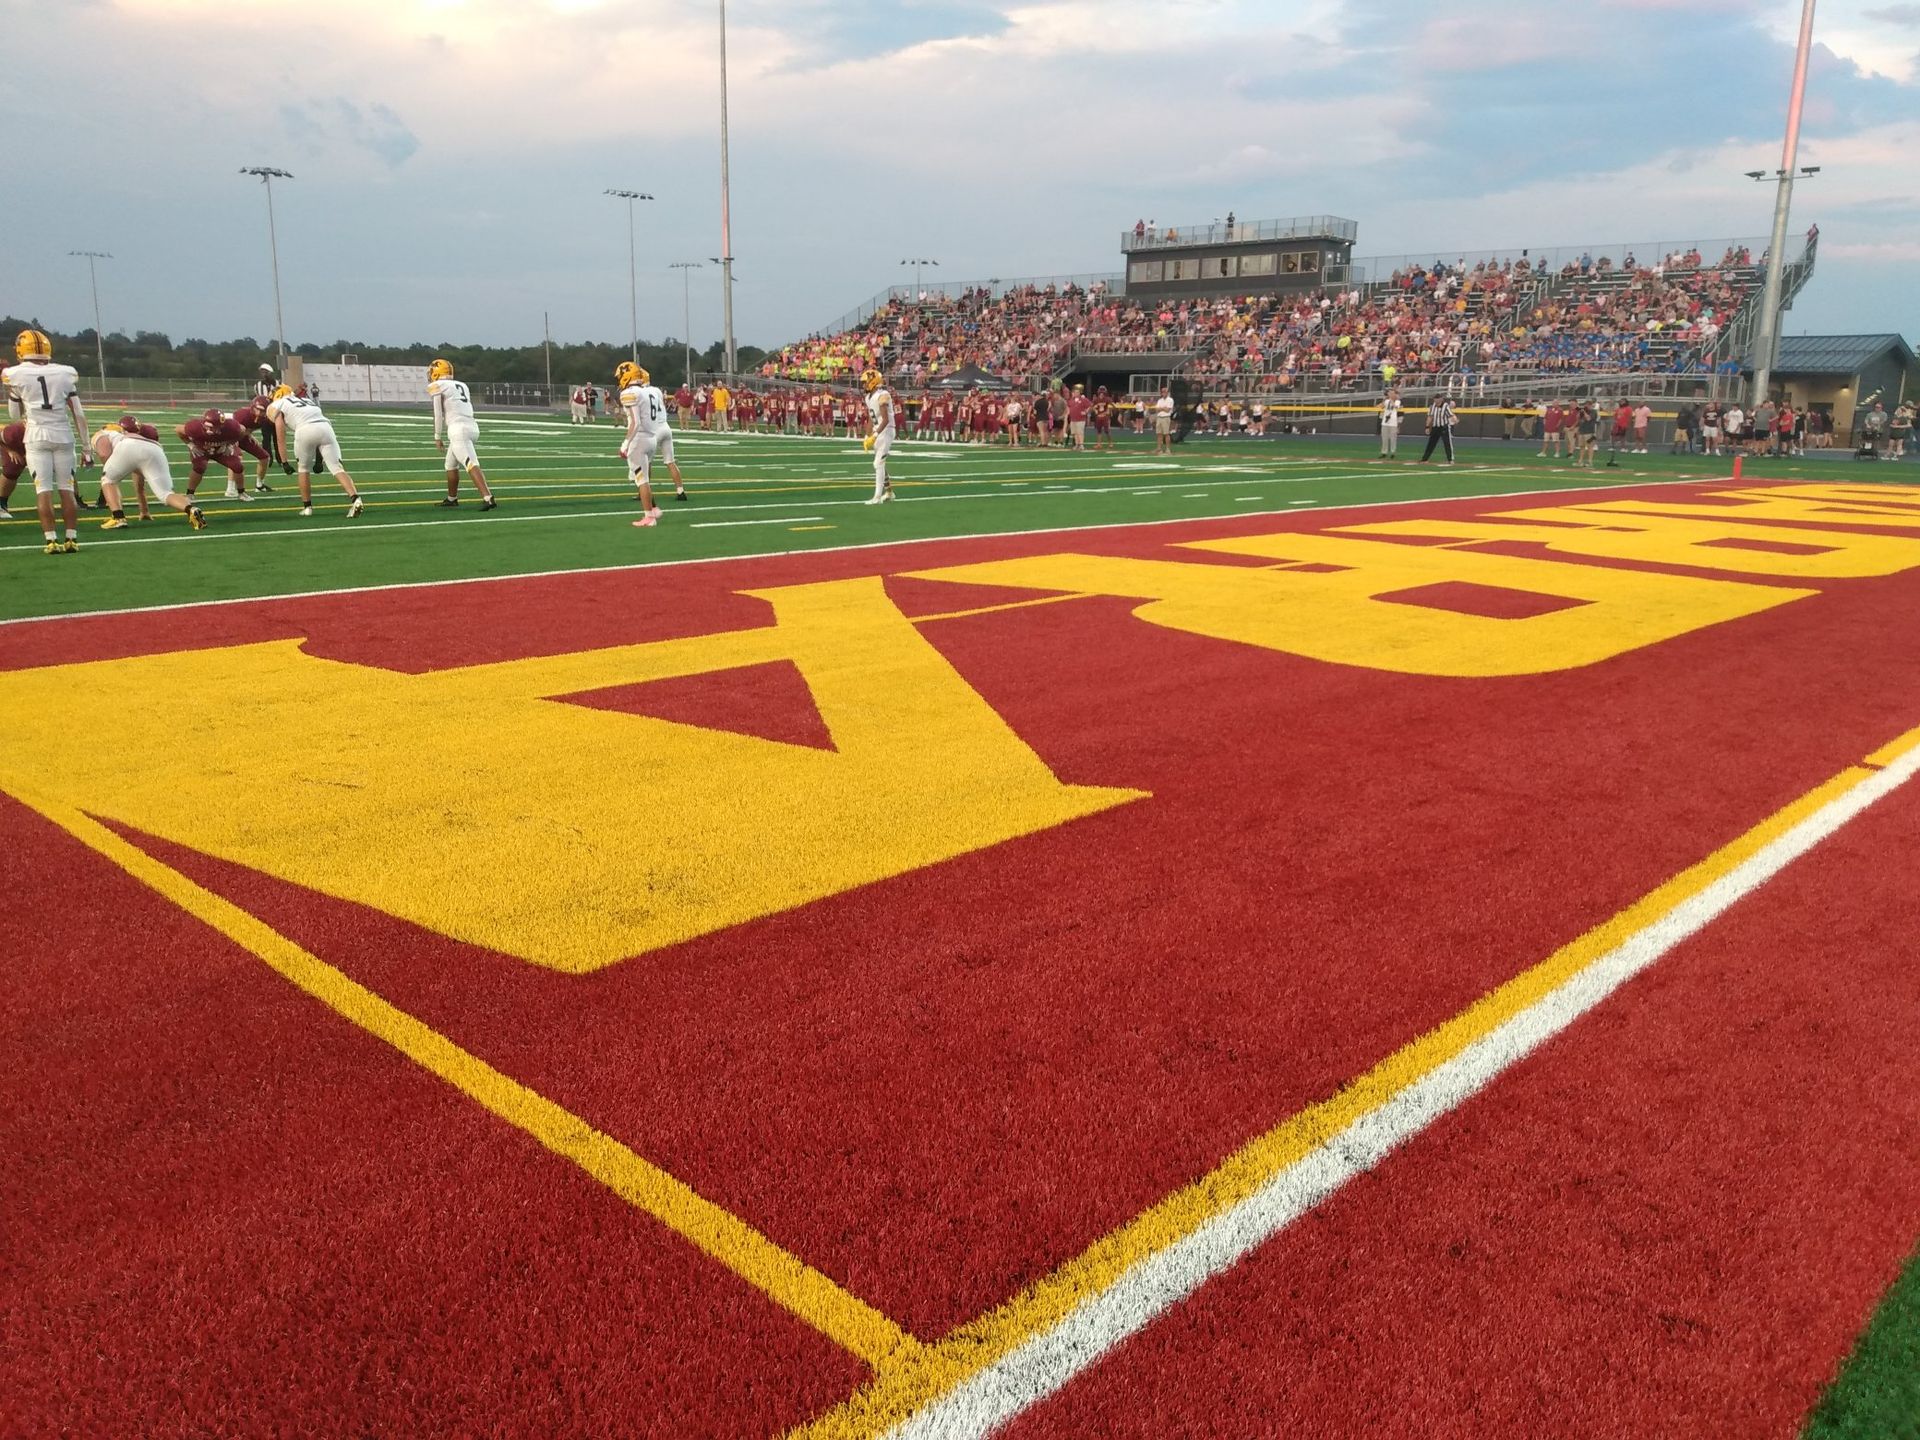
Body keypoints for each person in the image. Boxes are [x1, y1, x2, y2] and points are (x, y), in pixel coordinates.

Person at [3, 329, 89, 554]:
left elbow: (14, 415)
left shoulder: (15, 373)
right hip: (63, 434)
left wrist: (15, 394)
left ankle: (51, 540)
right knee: (66, 491)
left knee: (43, 491)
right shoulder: (65, 373)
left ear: (21, 349)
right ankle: (72, 539)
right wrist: (87, 448)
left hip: (36, 435)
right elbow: (79, 414)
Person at [265, 383, 365, 518]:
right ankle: (355, 499)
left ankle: (307, 508)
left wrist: (284, 462)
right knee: (337, 468)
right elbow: (317, 427)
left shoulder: (276, 405)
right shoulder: (307, 400)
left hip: (304, 430)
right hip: (326, 428)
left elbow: (280, 435)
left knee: (303, 469)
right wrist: (319, 461)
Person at [89, 423, 206, 532]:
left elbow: (104, 454)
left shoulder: (102, 434)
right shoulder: (130, 436)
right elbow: (139, 482)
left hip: (128, 447)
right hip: (155, 449)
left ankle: (118, 518)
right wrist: (144, 510)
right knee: (165, 493)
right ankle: (191, 509)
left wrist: (109, 473)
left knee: (108, 480)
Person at [616, 360, 687, 525]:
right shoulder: (653, 391)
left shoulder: (630, 393)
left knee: (641, 480)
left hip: (639, 439)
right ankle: (654, 508)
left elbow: (635, 423)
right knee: (645, 476)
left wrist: (625, 444)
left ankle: (649, 517)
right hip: (652, 437)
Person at [428, 359, 497, 510]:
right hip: (472, 426)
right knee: (450, 464)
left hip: (458, 429)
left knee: (470, 462)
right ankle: (452, 498)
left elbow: (438, 414)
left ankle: (488, 497)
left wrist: (437, 436)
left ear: (436, 372)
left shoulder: (437, 385)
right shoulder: (462, 385)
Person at [176, 407, 266, 501]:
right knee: (199, 467)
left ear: (221, 426)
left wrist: (229, 444)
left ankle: (242, 493)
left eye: (212, 427)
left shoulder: (231, 427)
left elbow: (242, 431)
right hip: (202, 450)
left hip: (220, 451)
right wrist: (191, 445)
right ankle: (190, 494)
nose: (209, 430)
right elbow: (178, 430)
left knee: (238, 466)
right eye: (207, 426)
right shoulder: (195, 427)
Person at [861, 367, 895, 505]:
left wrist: (874, 435)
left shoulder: (883, 395)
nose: (863, 385)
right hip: (877, 430)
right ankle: (889, 492)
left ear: (872, 381)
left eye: (865, 382)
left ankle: (877, 497)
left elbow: (885, 419)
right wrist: (866, 435)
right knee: (880, 463)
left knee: (878, 463)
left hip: (886, 431)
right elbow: (871, 417)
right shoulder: (869, 397)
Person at [252, 363, 291, 471]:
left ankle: (280, 459)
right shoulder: (258, 386)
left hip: (277, 414)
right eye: (262, 372)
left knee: (278, 438)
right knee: (266, 439)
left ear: (270, 373)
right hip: (265, 415)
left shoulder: (279, 384)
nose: (263, 374)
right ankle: (268, 458)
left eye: (266, 372)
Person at [1419, 393, 1456, 464]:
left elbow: (1450, 415)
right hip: (1435, 427)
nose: (1436, 400)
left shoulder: (1445, 406)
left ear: (1441, 399)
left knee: (1447, 443)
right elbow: (1430, 417)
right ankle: (1425, 459)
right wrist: (1427, 427)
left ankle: (1450, 459)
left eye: (1437, 399)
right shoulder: (1432, 406)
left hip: (1444, 427)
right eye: (1435, 399)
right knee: (1431, 443)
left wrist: (1454, 419)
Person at [1378, 386, 1403, 460]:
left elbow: (1396, 407)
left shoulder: (1398, 401)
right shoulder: (1386, 401)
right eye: (1390, 393)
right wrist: (1384, 400)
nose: (1390, 394)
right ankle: (1384, 452)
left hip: (1393, 422)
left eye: (1392, 393)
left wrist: (1391, 399)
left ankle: (1393, 452)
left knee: (1393, 439)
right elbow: (1380, 406)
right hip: (1385, 422)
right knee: (1384, 438)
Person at [1065, 384, 1091, 450]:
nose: (1076, 393)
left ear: (1079, 393)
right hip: (1073, 419)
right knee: (1075, 433)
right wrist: (1068, 413)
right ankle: (1077, 444)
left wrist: (1085, 412)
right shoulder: (1071, 400)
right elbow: (1068, 407)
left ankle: (1081, 444)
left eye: (1077, 392)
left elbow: (1089, 406)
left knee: (1080, 432)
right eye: (1075, 392)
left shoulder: (1083, 399)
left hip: (1080, 419)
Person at [1153, 385, 1175, 454]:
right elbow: (1156, 409)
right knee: (1159, 434)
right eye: (1162, 392)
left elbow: (1167, 410)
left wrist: (1161, 408)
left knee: (1166, 434)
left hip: (1166, 418)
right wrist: (1163, 408)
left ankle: (1168, 449)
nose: (1163, 393)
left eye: (1165, 392)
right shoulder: (1160, 400)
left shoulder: (1170, 400)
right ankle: (1159, 448)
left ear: (1167, 392)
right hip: (1159, 417)